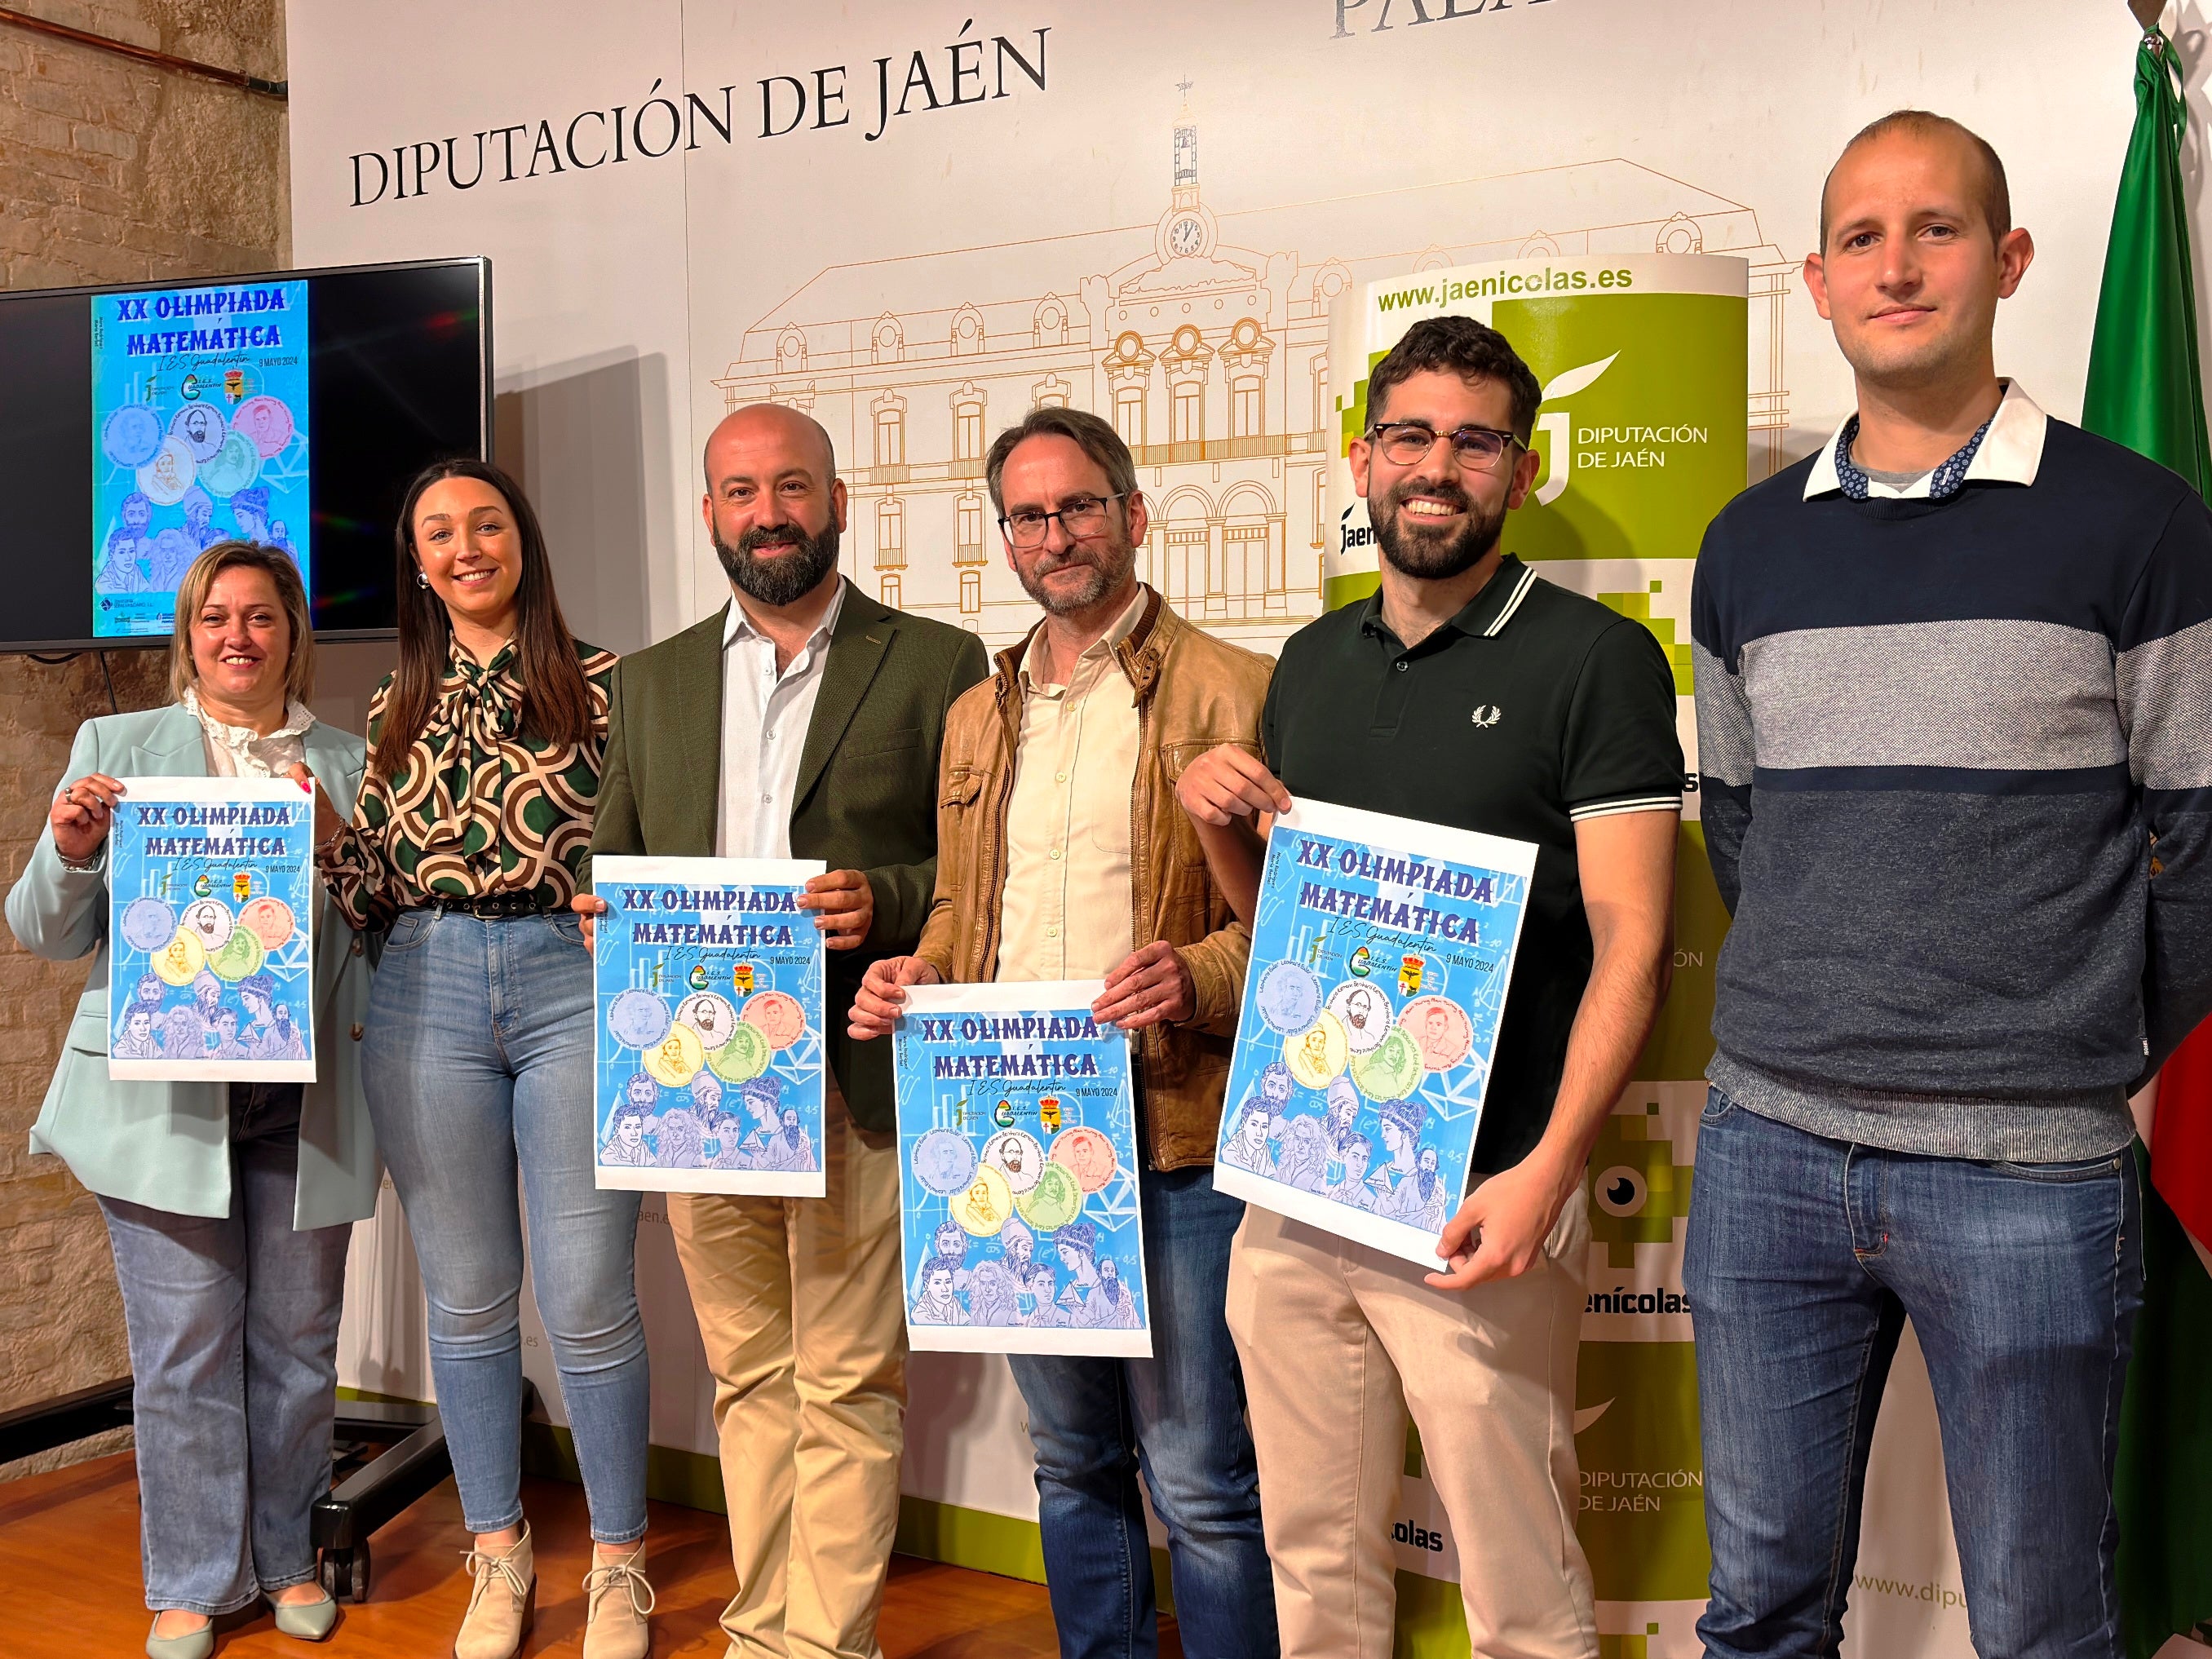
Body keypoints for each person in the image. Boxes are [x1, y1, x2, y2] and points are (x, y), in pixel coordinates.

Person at [1685, 111, 2212, 1659]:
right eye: (1862, 235)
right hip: (1770, 1145)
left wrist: (2088, 1027)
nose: (1897, 264)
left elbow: (2206, 833)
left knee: (2043, 1624)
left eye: (1937, 228)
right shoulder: (1747, 546)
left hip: (2027, 1165)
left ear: (2009, 259)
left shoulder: (2142, 525)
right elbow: (1742, 824)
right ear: (1819, 279)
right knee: (1763, 1608)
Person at [1177, 313, 1682, 1658]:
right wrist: (1224, 825)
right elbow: (1288, 943)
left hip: (1482, 1189)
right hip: (1297, 1180)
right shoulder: (1310, 663)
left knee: (1519, 1581)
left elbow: (1633, 942)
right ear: (1362, 459)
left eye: (1475, 440)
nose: (1436, 466)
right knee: (1316, 1560)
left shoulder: (1597, 659)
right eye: (1410, 435)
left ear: (1521, 471)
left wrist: (1550, 1171)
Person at [852, 405, 1281, 1659]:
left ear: (1134, 515)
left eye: (1081, 504)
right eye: (1031, 515)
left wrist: (1194, 974)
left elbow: (1297, 928)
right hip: (1015, 1144)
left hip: (1175, 1139)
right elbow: (954, 902)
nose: (1059, 533)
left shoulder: (1238, 687)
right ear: (1007, 539)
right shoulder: (977, 716)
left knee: (1203, 1481)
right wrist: (915, 974)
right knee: (1071, 1460)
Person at [577, 402, 986, 1659]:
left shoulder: (935, 660)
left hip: (854, 1066)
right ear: (709, 514)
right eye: (742, 492)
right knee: (751, 1376)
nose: (769, 513)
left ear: (838, 500)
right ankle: (762, 1625)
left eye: (792, 486)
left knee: (848, 1378)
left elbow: (976, 860)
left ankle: (825, 1641)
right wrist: (607, 918)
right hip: (704, 1087)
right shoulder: (646, 682)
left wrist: (891, 899)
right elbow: (615, 854)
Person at [5, 542, 377, 1658]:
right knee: (185, 1345)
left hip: (305, 1097)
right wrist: (73, 846)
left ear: (291, 634)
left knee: (299, 1345)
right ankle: (193, 1578)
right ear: (188, 632)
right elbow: (42, 927)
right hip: (161, 1100)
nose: (238, 636)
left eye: (261, 617)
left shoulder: (351, 765)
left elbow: (388, 930)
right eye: (216, 616)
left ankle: (284, 1558)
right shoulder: (118, 749)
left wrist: (338, 845)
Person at [312, 458, 653, 1659]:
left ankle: (620, 1566)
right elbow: (369, 897)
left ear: (524, 539)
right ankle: (497, 1553)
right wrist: (321, 840)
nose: (466, 547)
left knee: (589, 1292)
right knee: (464, 1299)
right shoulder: (389, 706)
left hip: (574, 985)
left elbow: (661, 849)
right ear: (416, 559)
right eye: (440, 532)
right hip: (424, 991)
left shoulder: (616, 687)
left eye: (488, 523)